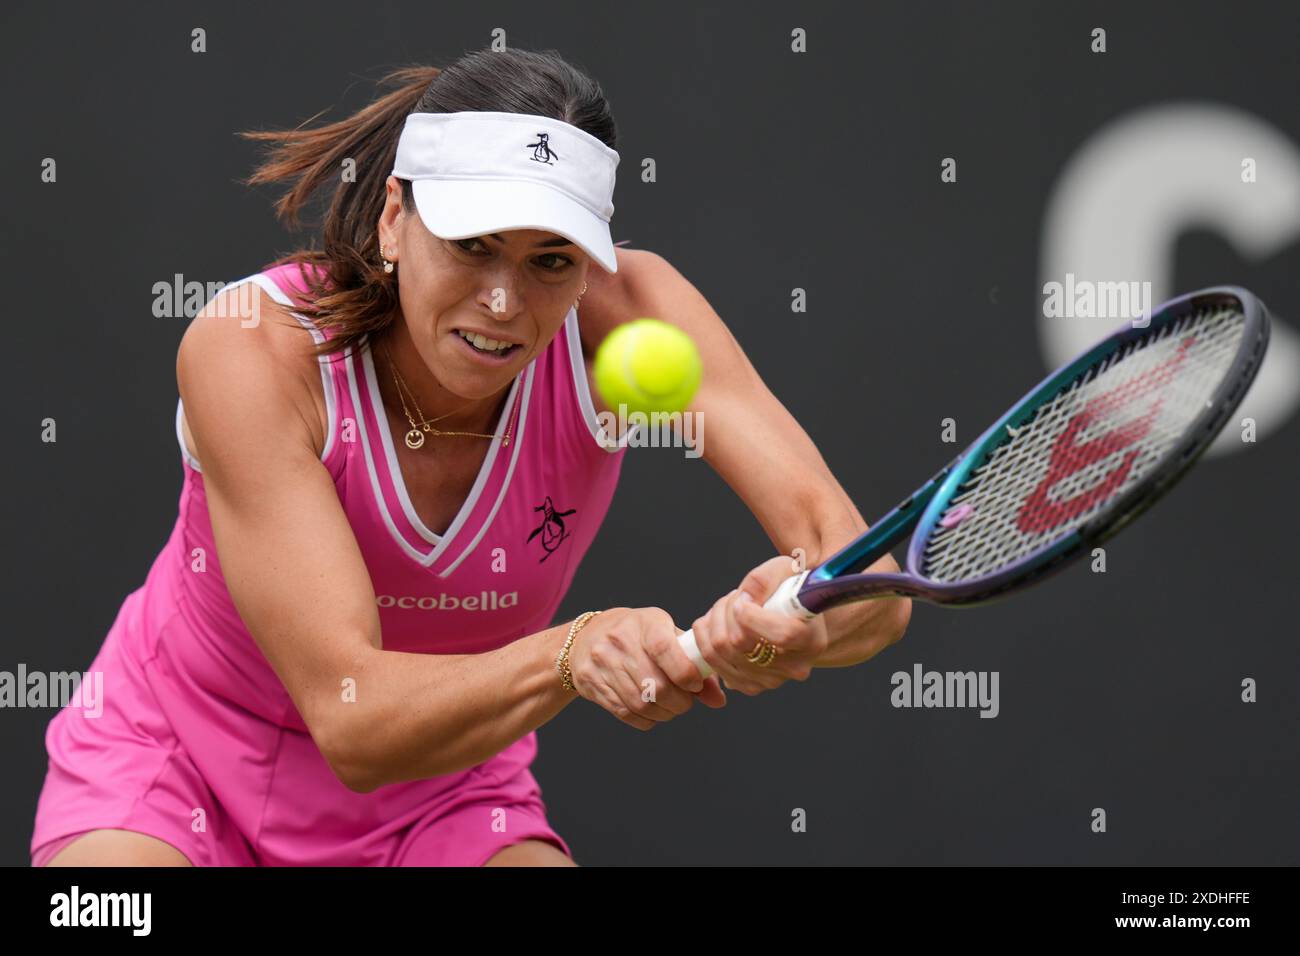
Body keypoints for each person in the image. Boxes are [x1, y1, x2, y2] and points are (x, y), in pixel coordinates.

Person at [30, 48, 910, 868]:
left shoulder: (633, 317)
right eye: (473, 244)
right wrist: (572, 652)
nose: (502, 300)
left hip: (448, 798)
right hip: (172, 771)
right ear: (393, 219)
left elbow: (867, 581)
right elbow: (355, 722)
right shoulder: (253, 350)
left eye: (549, 261)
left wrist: (797, 621)